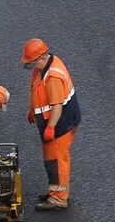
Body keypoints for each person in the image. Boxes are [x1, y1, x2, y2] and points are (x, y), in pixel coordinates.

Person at [21, 39, 80, 209]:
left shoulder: (53, 76)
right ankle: (56, 190)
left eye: (31, 64)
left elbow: (56, 106)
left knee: (57, 160)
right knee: (50, 159)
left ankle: (59, 198)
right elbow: (36, 90)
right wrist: (32, 109)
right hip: (52, 122)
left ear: (40, 58)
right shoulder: (43, 68)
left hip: (61, 124)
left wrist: (51, 127)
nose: (30, 68)